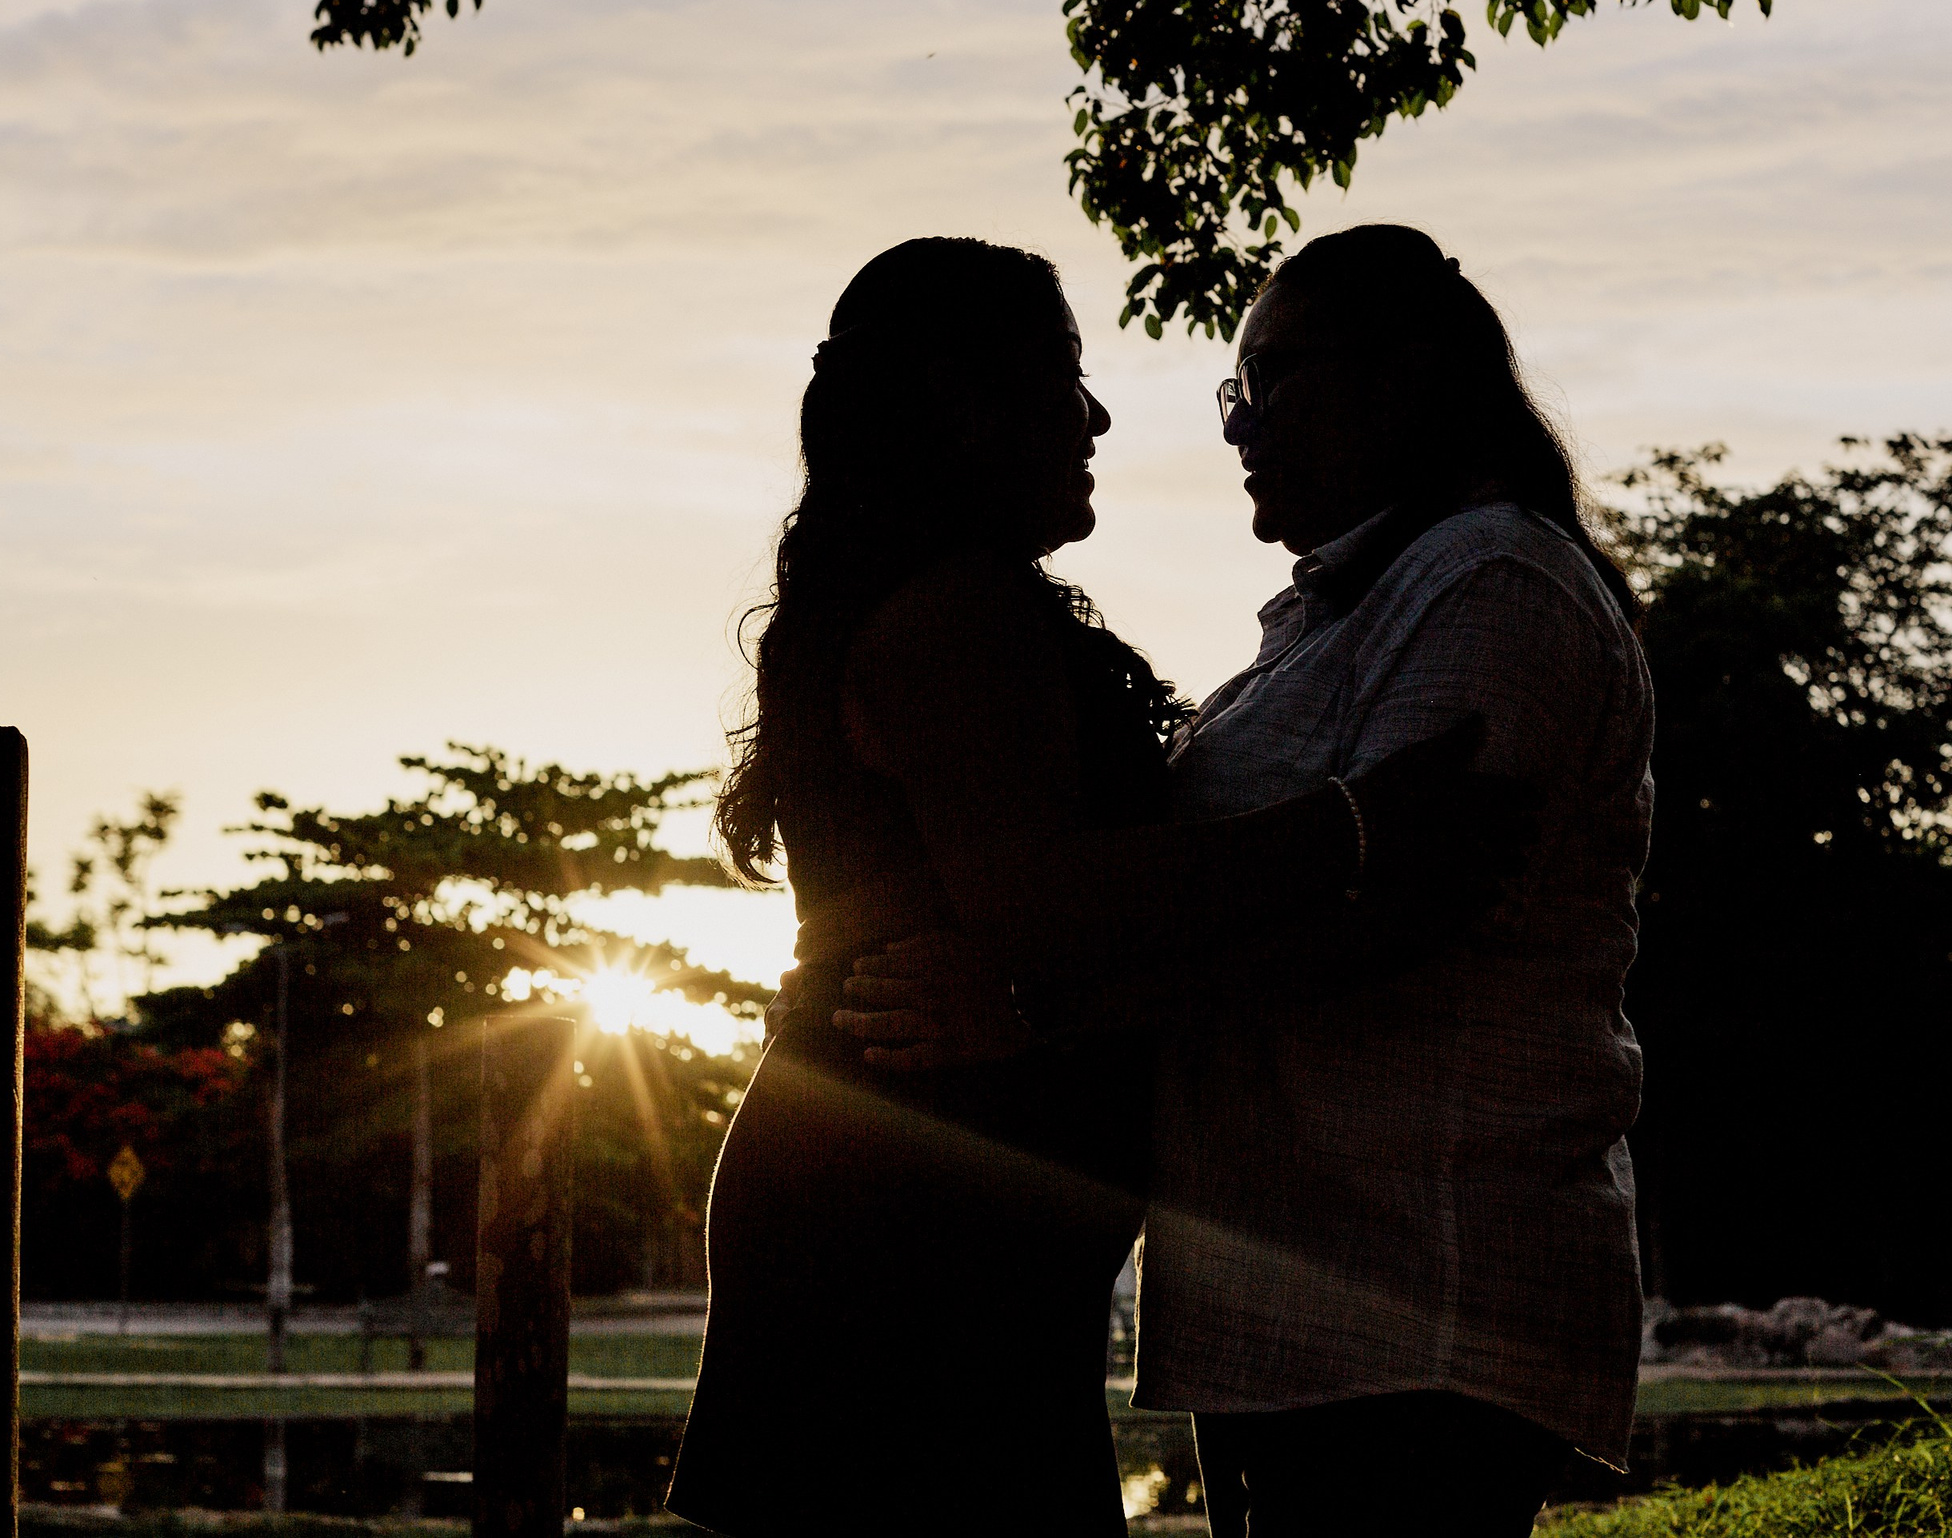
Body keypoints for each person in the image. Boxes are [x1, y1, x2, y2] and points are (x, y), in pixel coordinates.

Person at [666, 236, 1520, 1537]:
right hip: (912, 1222)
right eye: (1068, 375)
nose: (1100, 415)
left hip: (934, 1204)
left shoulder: (944, 602)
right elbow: (1047, 901)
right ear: (966, 402)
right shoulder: (952, 613)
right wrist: (1355, 827)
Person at [840, 224, 1655, 1536]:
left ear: (1396, 381)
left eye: (1265, 382)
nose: (1235, 427)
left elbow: (1402, 911)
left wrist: (1042, 1010)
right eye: (1235, 393)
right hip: (1299, 1300)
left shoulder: (1490, 580)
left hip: (1408, 1288)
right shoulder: (1346, 609)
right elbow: (1312, 864)